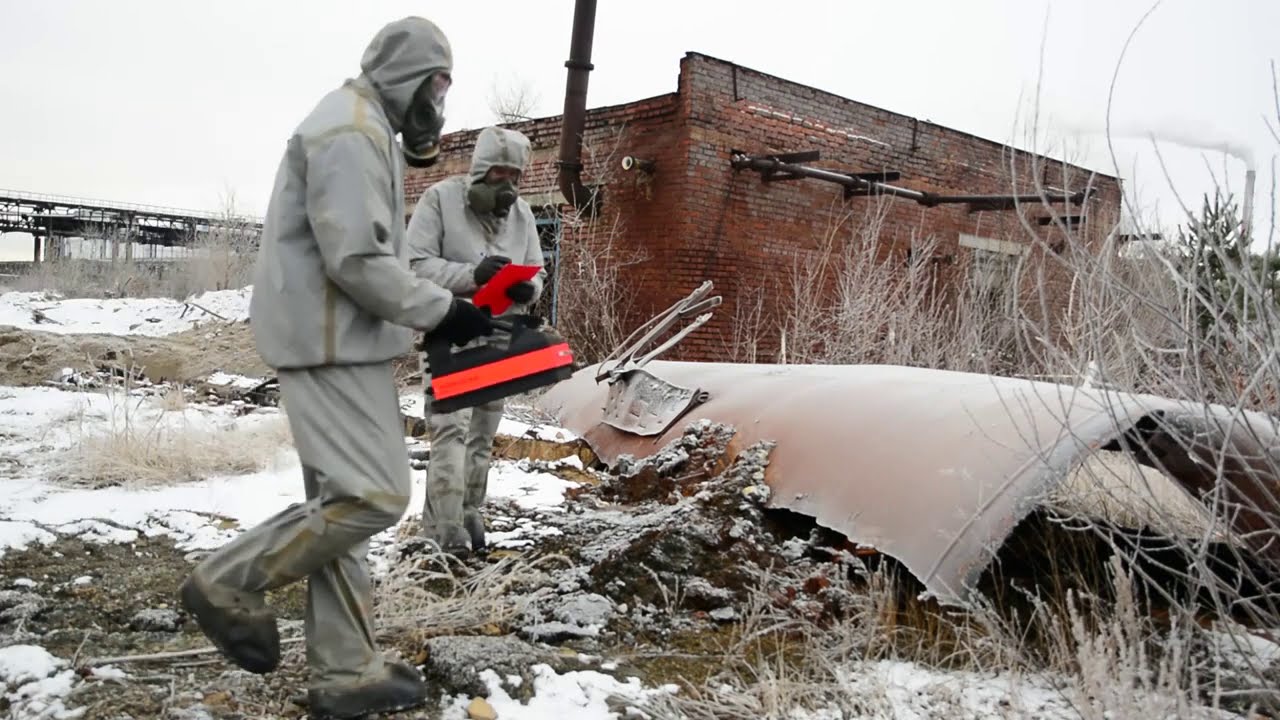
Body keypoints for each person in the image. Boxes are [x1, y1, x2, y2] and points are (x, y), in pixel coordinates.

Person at [177, 17, 494, 719]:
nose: (440, 101)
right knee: (375, 496)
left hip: (342, 339)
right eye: (436, 84)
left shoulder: (364, 126)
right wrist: (442, 311)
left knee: (341, 509)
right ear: (408, 76)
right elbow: (357, 259)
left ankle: (345, 673)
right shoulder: (349, 132)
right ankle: (227, 580)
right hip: (329, 341)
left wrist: (448, 300)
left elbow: (367, 255)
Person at [407, 126, 547, 557]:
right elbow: (413, 266)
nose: (506, 185)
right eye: (498, 174)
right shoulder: (440, 200)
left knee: (482, 435)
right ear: (480, 169)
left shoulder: (521, 213)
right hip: (448, 334)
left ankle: (471, 516)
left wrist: (530, 289)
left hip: (499, 336)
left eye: (514, 177)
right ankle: (442, 532)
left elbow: (538, 269)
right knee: (450, 432)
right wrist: (472, 275)